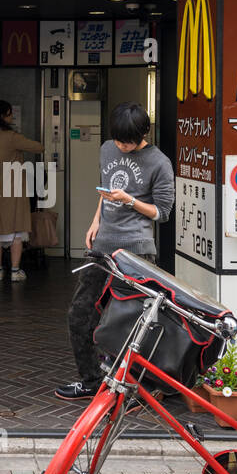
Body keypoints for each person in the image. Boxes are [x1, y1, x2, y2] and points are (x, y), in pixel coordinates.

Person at [57, 102, 174, 401]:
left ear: (143, 134)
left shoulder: (159, 163)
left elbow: (161, 213)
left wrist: (130, 200)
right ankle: (91, 379)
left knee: (129, 321)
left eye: (128, 141)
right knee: (80, 314)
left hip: (136, 252)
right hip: (102, 246)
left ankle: (133, 387)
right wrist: (95, 221)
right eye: (119, 140)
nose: (122, 146)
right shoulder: (108, 148)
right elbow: (105, 189)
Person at [0, 100, 44, 281]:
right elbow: (39, 147)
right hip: (12, 191)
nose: (12, 116)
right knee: (16, 232)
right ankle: (14, 271)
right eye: (10, 113)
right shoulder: (11, 137)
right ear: (4, 115)